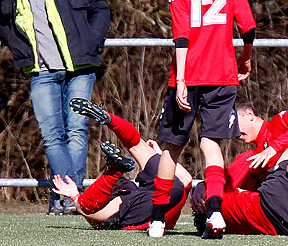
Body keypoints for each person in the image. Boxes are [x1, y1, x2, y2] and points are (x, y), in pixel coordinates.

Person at [0, 0, 111, 215]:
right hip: (41, 71)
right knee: (52, 135)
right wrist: (19, 48)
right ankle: (71, 196)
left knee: (77, 130)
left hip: (79, 68)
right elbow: (4, 23)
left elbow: (101, 10)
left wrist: (92, 40)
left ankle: (66, 199)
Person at [154, 0, 256, 239]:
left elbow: (181, 37)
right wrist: (246, 56)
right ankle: (214, 212)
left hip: (188, 74)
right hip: (223, 74)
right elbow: (249, 27)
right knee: (212, 144)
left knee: (171, 147)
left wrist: (182, 79)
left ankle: (157, 219)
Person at [52, 98, 192, 232]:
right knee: (137, 146)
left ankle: (114, 170)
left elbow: (91, 215)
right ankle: (110, 120)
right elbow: (186, 179)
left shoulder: (129, 201)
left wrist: (75, 196)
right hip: (164, 193)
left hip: (164, 194)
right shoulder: (134, 198)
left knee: (137, 146)